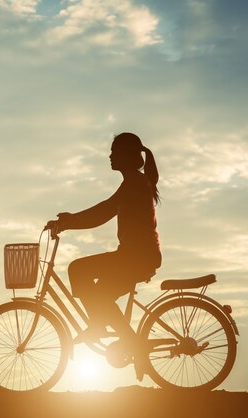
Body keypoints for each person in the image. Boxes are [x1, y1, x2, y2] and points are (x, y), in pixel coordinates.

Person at [45, 132, 161, 367]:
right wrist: (70, 220)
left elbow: (103, 211)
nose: (109, 156)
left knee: (78, 269)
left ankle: (107, 330)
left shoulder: (134, 184)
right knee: (98, 294)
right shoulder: (133, 182)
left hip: (136, 258)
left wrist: (69, 222)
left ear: (126, 156)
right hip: (135, 256)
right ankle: (107, 328)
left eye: (114, 152)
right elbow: (105, 210)